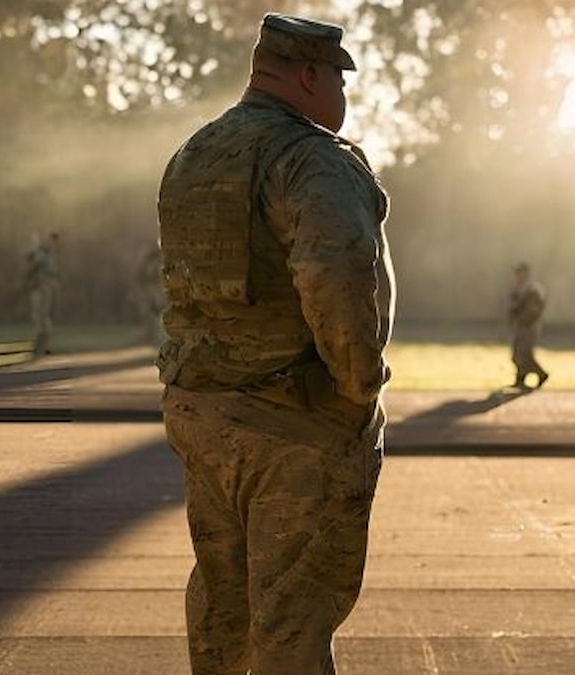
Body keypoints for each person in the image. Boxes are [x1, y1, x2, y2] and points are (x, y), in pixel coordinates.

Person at [155, 13, 395, 675]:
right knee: (293, 616)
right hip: (294, 425)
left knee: (224, 607)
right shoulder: (310, 159)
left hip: (203, 416)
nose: (343, 98)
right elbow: (336, 270)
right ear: (310, 75)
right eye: (339, 80)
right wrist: (357, 387)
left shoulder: (194, 155)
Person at [507, 261, 549, 390]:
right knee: (517, 354)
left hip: (529, 327)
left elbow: (534, 310)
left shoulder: (532, 290)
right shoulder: (519, 289)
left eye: (520, 273)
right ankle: (520, 379)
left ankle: (541, 374)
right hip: (521, 326)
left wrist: (523, 318)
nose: (518, 276)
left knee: (524, 354)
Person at [22, 232, 60, 356]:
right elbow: (26, 257)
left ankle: (43, 345)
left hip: (43, 287)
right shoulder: (40, 252)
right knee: (38, 316)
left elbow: (38, 264)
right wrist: (35, 247)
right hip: (37, 287)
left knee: (42, 317)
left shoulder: (47, 255)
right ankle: (39, 345)